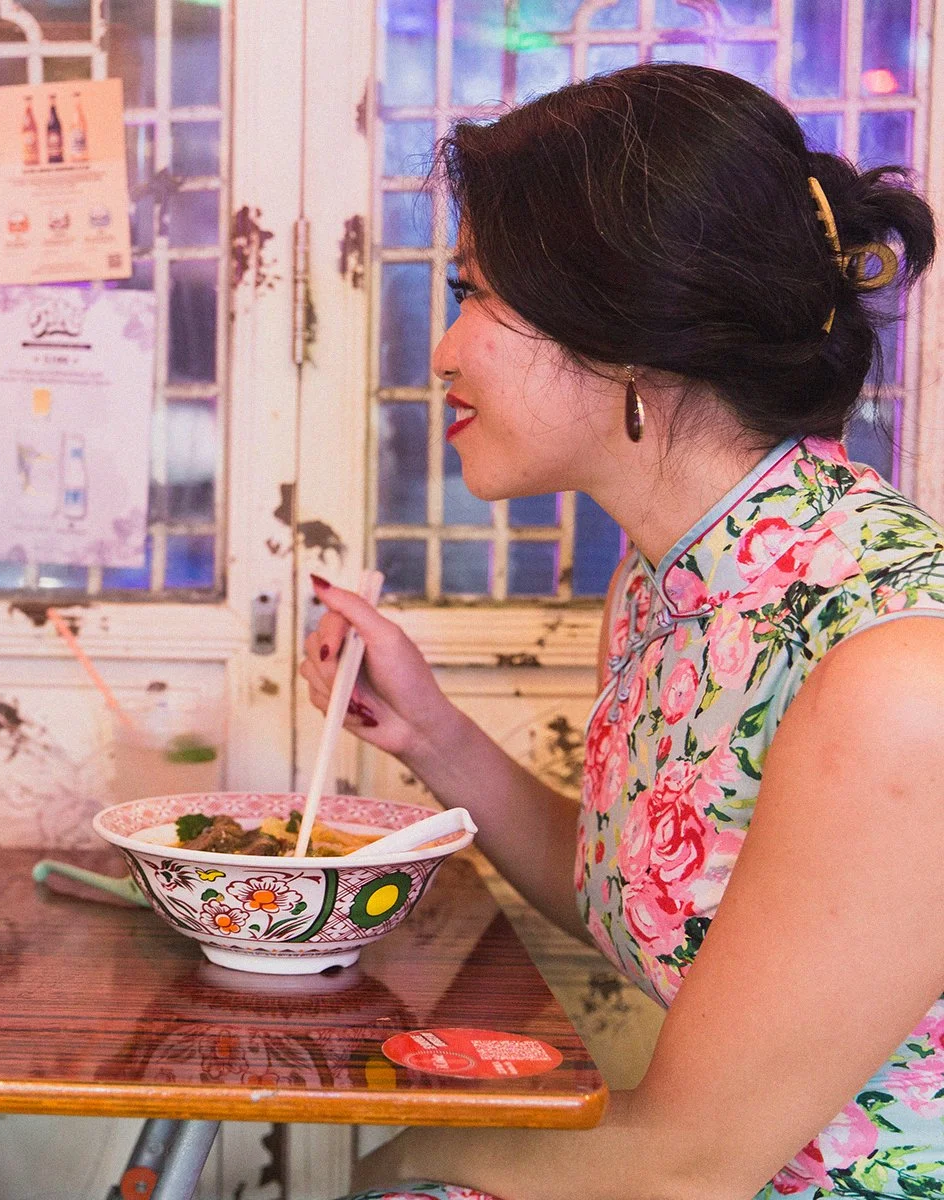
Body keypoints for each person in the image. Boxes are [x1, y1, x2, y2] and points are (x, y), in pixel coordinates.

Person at [301, 64, 944, 1199]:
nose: (443, 352)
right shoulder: (667, 590)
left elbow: (684, 1165)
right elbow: (643, 901)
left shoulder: (898, 673)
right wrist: (431, 733)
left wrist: (395, 1157)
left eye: (476, 295)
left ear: (633, 331)